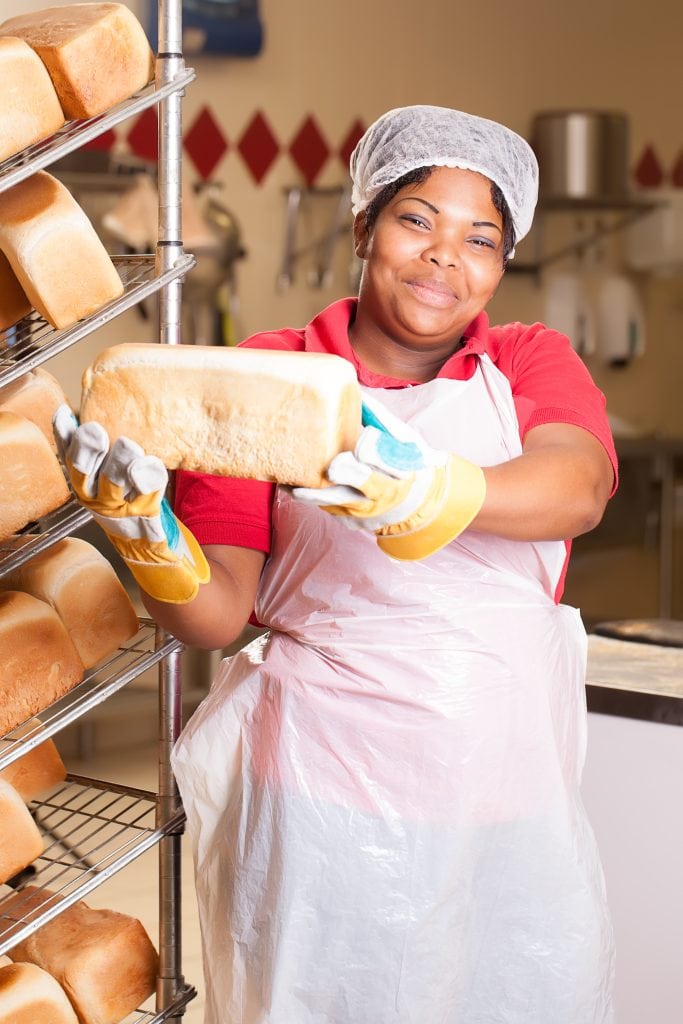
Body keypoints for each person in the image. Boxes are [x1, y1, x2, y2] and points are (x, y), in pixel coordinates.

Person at [55, 105, 617, 1024]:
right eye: (415, 219)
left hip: (505, 790)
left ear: (503, 263)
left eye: (480, 237)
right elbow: (218, 613)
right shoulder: (270, 372)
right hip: (324, 800)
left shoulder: (522, 362)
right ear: (363, 226)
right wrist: (146, 536)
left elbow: (576, 486)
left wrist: (427, 493)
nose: (444, 256)